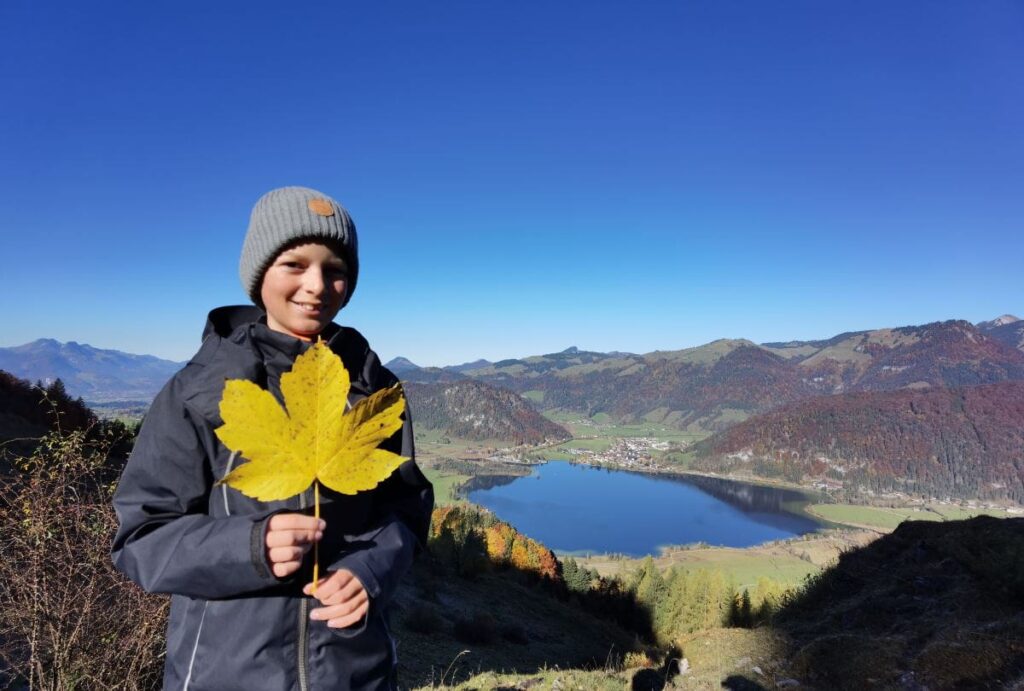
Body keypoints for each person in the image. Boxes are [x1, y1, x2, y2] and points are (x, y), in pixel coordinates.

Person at [112, 186, 434, 691]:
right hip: (227, 673)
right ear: (259, 274)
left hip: (354, 672)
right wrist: (249, 546)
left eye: (335, 269)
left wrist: (370, 572)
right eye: (295, 264)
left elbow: (406, 509)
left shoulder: (374, 388)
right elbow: (140, 539)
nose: (317, 284)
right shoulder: (201, 390)